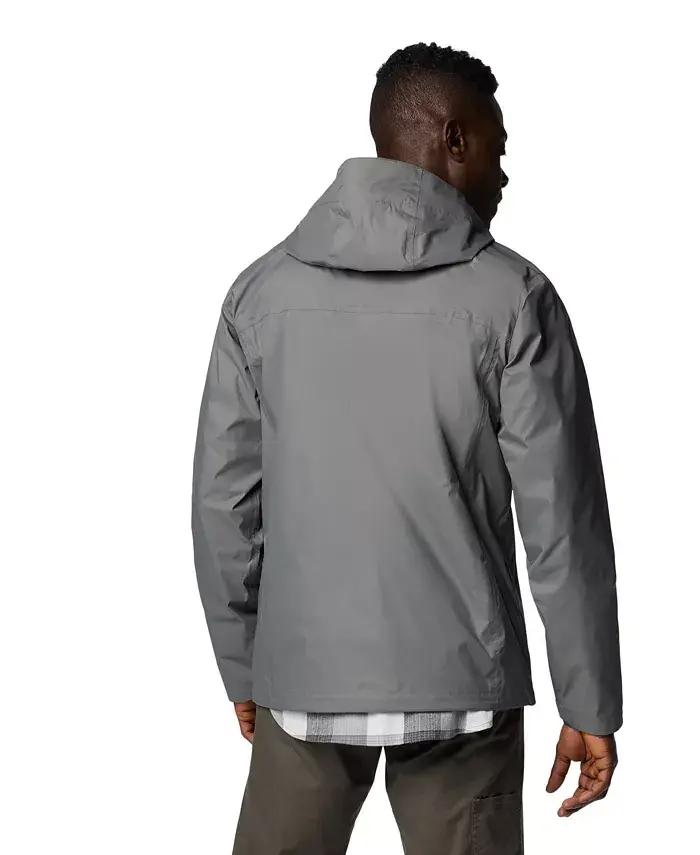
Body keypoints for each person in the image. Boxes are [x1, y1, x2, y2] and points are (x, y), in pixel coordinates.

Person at [191, 41, 622, 855]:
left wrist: (243, 665)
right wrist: (590, 701)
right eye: (496, 144)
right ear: (453, 138)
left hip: (303, 680)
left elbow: (225, 506)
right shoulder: (515, 298)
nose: (504, 172)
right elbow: (563, 523)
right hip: (466, 689)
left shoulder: (260, 295)